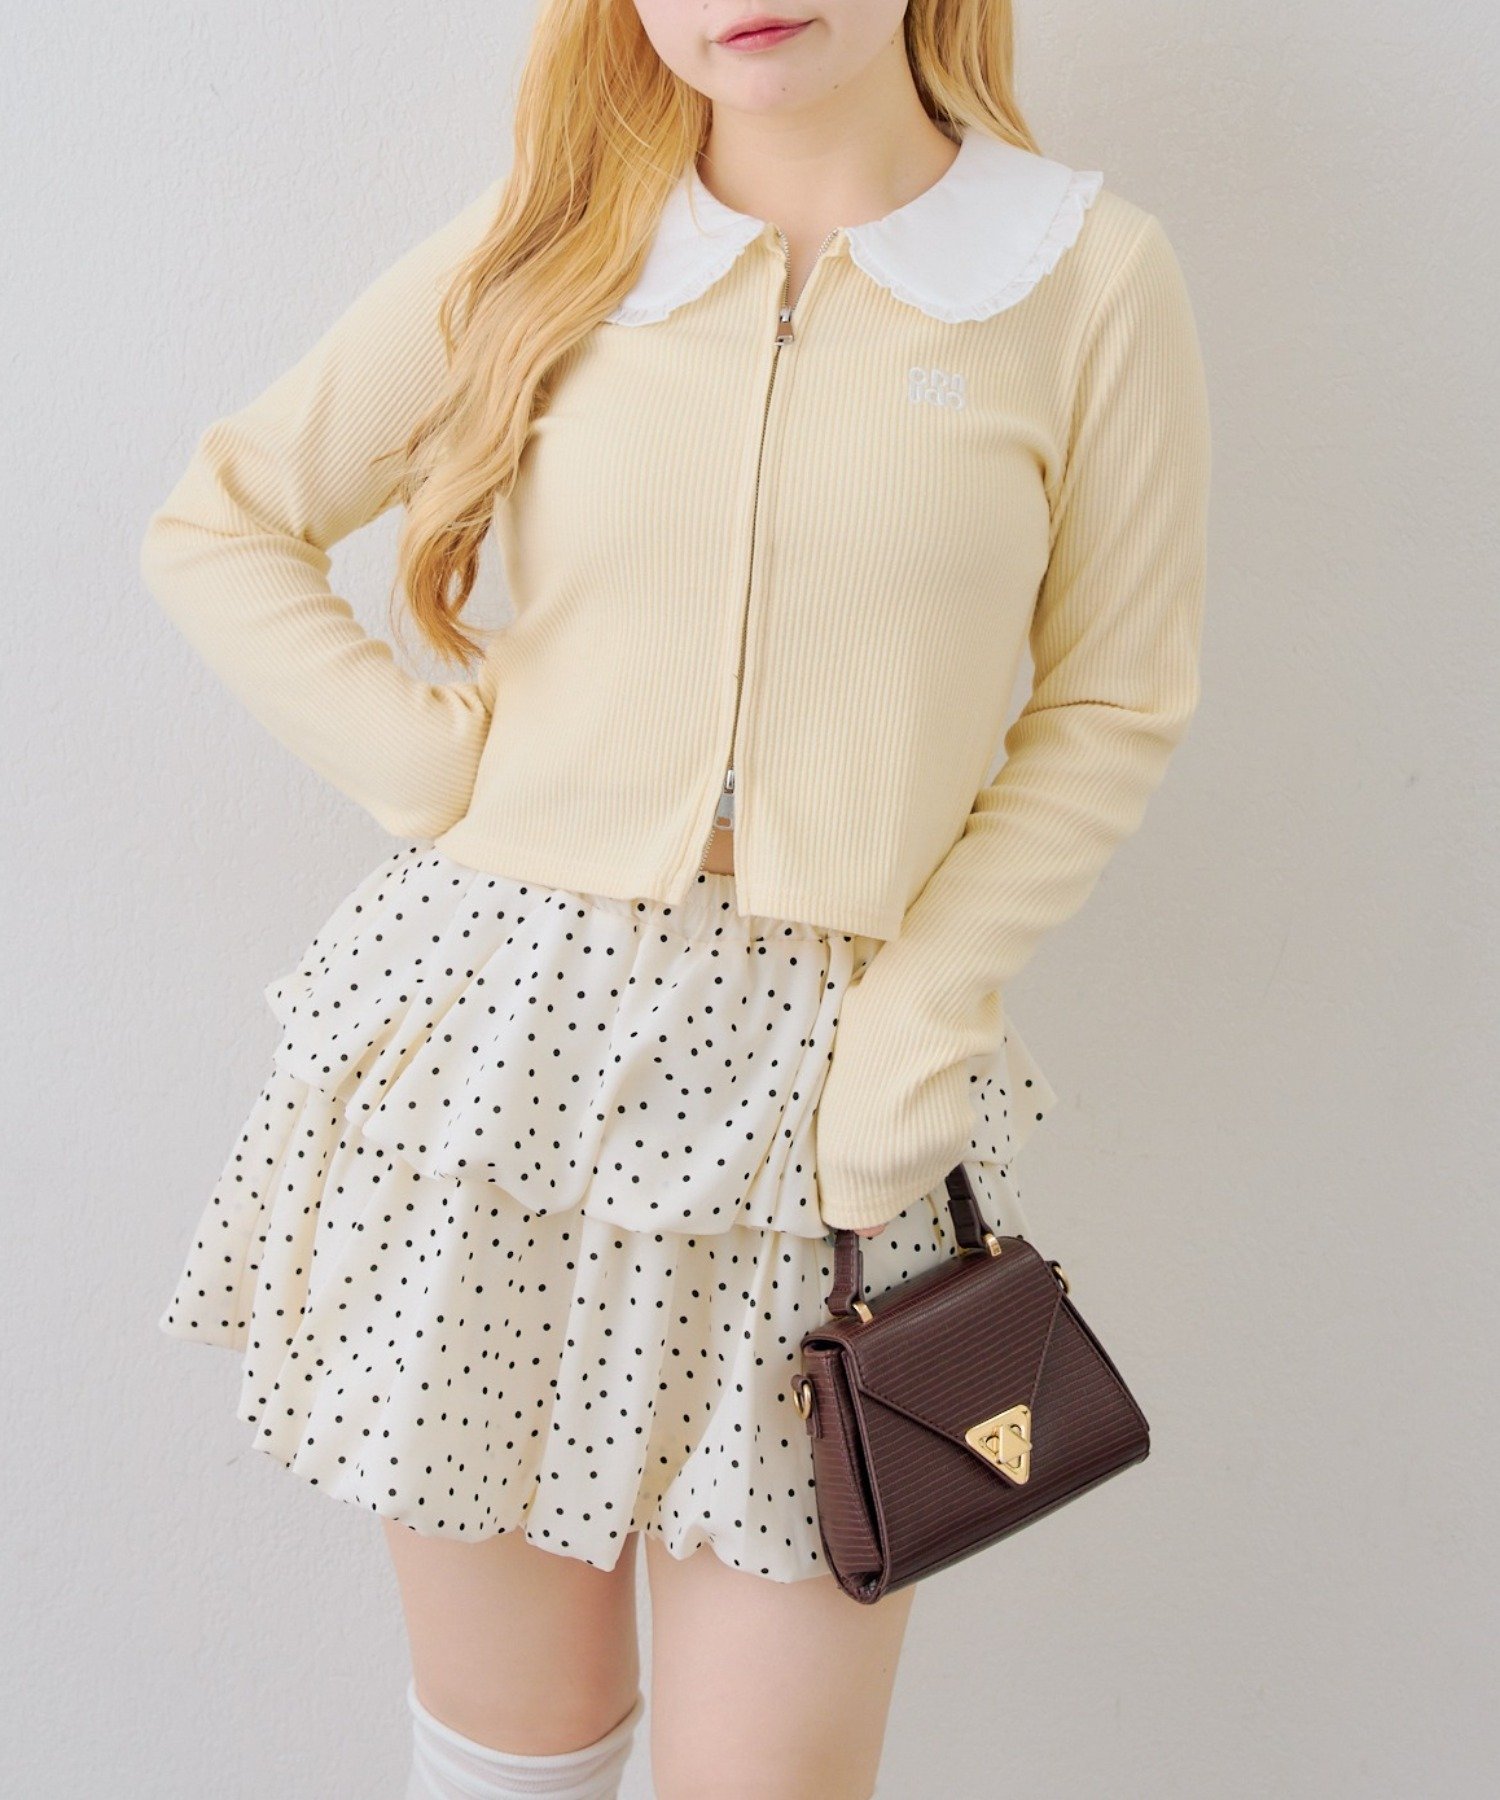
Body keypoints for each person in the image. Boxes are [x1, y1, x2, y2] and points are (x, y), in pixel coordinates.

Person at [141, 3, 1211, 1796]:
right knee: (515, 1756)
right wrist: (434, 774)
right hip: (502, 1074)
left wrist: (923, 1007)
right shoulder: (557, 239)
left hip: (830, 1120)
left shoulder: (1083, 275)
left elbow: (1115, 699)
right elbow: (222, 520)